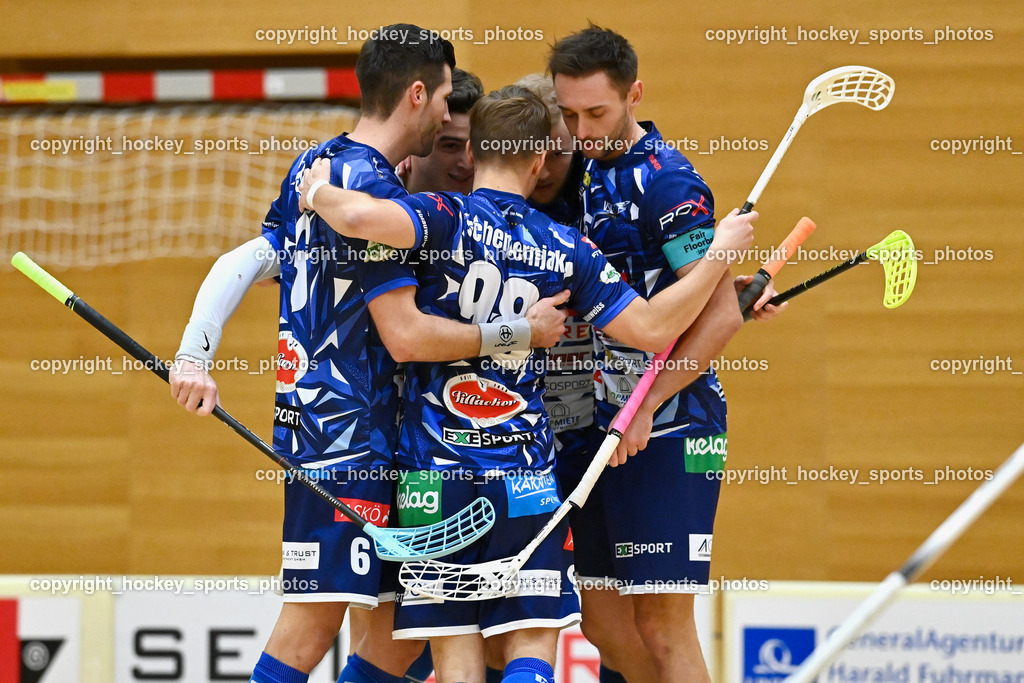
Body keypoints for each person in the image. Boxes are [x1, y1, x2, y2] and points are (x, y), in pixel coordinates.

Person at [296, 84, 756, 683]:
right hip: (526, 478)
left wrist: (315, 189)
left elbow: (356, 216)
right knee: (529, 647)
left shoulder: (438, 216)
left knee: (456, 652)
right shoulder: (567, 247)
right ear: (539, 161)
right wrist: (717, 256)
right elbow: (653, 327)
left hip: (432, 476)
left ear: (475, 149)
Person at [168, 26, 565, 683]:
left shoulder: (321, 168)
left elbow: (252, 257)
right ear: (417, 94)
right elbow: (402, 333)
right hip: (345, 442)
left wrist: (194, 350)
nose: (446, 115)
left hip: (379, 446)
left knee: (390, 638)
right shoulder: (374, 195)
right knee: (313, 625)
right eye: (441, 100)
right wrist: (517, 332)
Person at [548, 25, 783, 682]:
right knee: (602, 621)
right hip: (601, 425)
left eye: (596, 112)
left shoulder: (669, 184)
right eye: (569, 114)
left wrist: (649, 401)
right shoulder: (580, 174)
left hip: (672, 422)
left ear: (634, 95)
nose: (582, 127)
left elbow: (716, 315)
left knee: (659, 622)